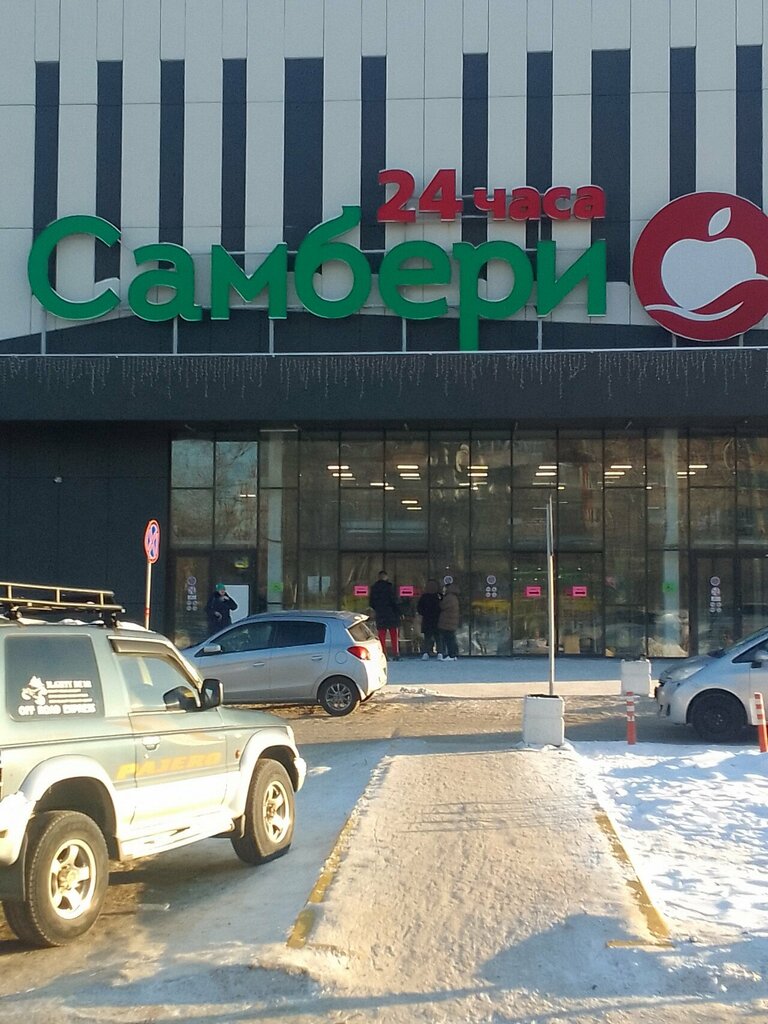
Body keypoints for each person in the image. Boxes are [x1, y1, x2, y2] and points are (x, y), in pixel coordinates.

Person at [369, 569, 401, 660]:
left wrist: (378, 609)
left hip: (380, 613)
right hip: (391, 613)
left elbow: (371, 602)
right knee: (394, 634)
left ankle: (384, 653)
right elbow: (394, 601)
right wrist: (398, 611)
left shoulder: (374, 588)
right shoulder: (390, 587)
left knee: (382, 635)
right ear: (386, 577)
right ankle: (396, 653)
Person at [417, 579, 442, 659]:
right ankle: (440, 653)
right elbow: (442, 607)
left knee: (427, 638)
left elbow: (419, 608)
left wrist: (424, 613)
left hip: (427, 620)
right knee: (438, 638)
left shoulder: (424, 597)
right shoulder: (439, 596)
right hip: (437, 620)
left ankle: (426, 653)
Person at [437, 582, 460, 661]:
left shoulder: (449, 597)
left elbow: (442, 606)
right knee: (451, 638)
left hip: (447, 622)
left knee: (449, 639)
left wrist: (440, 599)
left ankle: (451, 655)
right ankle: (453, 654)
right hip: (451, 622)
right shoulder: (454, 597)